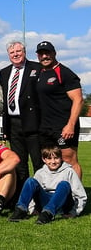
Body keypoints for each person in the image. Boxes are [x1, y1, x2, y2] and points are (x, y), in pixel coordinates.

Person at [34, 41, 83, 179]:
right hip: (44, 127)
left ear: (54, 53)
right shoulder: (40, 72)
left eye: (47, 53)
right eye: (41, 53)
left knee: (69, 160)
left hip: (63, 126)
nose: (44, 56)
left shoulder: (65, 73)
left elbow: (78, 100)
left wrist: (71, 125)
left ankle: (76, 197)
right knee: (49, 161)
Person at [0, 41, 42, 190]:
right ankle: (24, 197)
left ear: (24, 52)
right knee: (19, 163)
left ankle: (42, 195)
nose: (15, 54)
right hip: (13, 124)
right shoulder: (4, 73)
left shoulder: (37, 68)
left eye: (18, 51)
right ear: (8, 55)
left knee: (38, 162)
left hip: (33, 123)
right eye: (12, 52)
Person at [8, 145, 86, 224]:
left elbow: (81, 195)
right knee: (30, 181)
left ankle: (48, 214)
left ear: (61, 158)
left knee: (64, 184)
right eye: (49, 158)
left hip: (63, 203)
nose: (53, 161)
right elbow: (32, 192)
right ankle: (21, 210)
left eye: (56, 158)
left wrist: (74, 212)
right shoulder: (40, 172)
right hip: (45, 200)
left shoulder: (69, 171)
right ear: (44, 159)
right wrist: (32, 209)